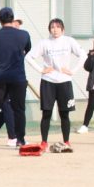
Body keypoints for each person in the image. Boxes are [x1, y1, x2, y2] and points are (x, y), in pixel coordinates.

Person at [26, 18, 84, 152]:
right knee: (46, 113)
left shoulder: (69, 41)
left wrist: (73, 71)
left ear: (63, 29)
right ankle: (44, 142)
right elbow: (28, 57)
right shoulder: (44, 43)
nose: (55, 29)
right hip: (48, 82)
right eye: (52, 27)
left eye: (58, 27)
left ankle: (66, 141)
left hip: (64, 82)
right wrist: (41, 70)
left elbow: (83, 55)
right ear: (49, 29)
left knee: (65, 114)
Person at [0, 7, 32, 150]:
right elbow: (27, 49)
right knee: (19, 109)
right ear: (12, 18)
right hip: (17, 76)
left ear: (0, 20)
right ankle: (20, 139)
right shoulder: (24, 35)